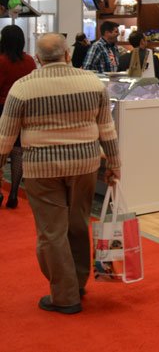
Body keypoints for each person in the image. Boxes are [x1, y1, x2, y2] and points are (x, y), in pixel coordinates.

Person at [0, 33, 120, 314]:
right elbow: (107, 129)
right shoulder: (92, 83)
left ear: (38, 59)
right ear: (67, 55)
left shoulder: (23, 88)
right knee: (78, 224)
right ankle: (77, 283)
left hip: (41, 169)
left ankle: (65, 295)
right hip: (85, 165)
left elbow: (5, 136)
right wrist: (114, 164)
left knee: (51, 231)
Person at [0, 25, 37, 208]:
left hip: (2, 109)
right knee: (17, 152)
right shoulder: (30, 61)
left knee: (1, 150)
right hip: (24, 111)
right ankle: (14, 193)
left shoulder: (1, 61)